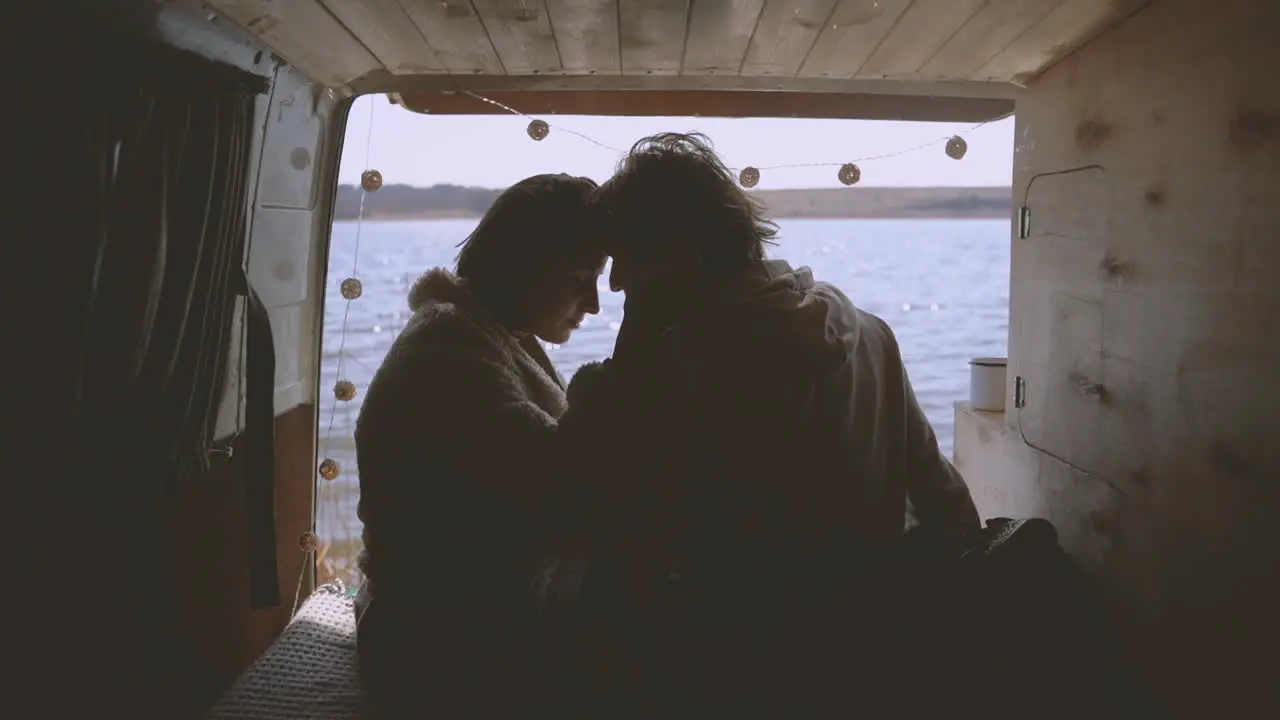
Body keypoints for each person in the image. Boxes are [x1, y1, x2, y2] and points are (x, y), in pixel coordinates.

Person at [565, 133, 981, 714]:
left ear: (680, 258)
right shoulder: (872, 332)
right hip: (867, 648)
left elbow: (592, 499)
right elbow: (940, 493)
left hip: (734, 664)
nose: (614, 286)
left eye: (625, 261)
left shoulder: (677, 368)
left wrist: (628, 356)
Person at [352, 173, 605, 717]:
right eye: (581, 277)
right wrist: (617, 387)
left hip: (451, 616)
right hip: (430, 641)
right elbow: (568, 487)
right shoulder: (447, 355)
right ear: (523, 266)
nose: (594, 303)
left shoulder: (485, 332)